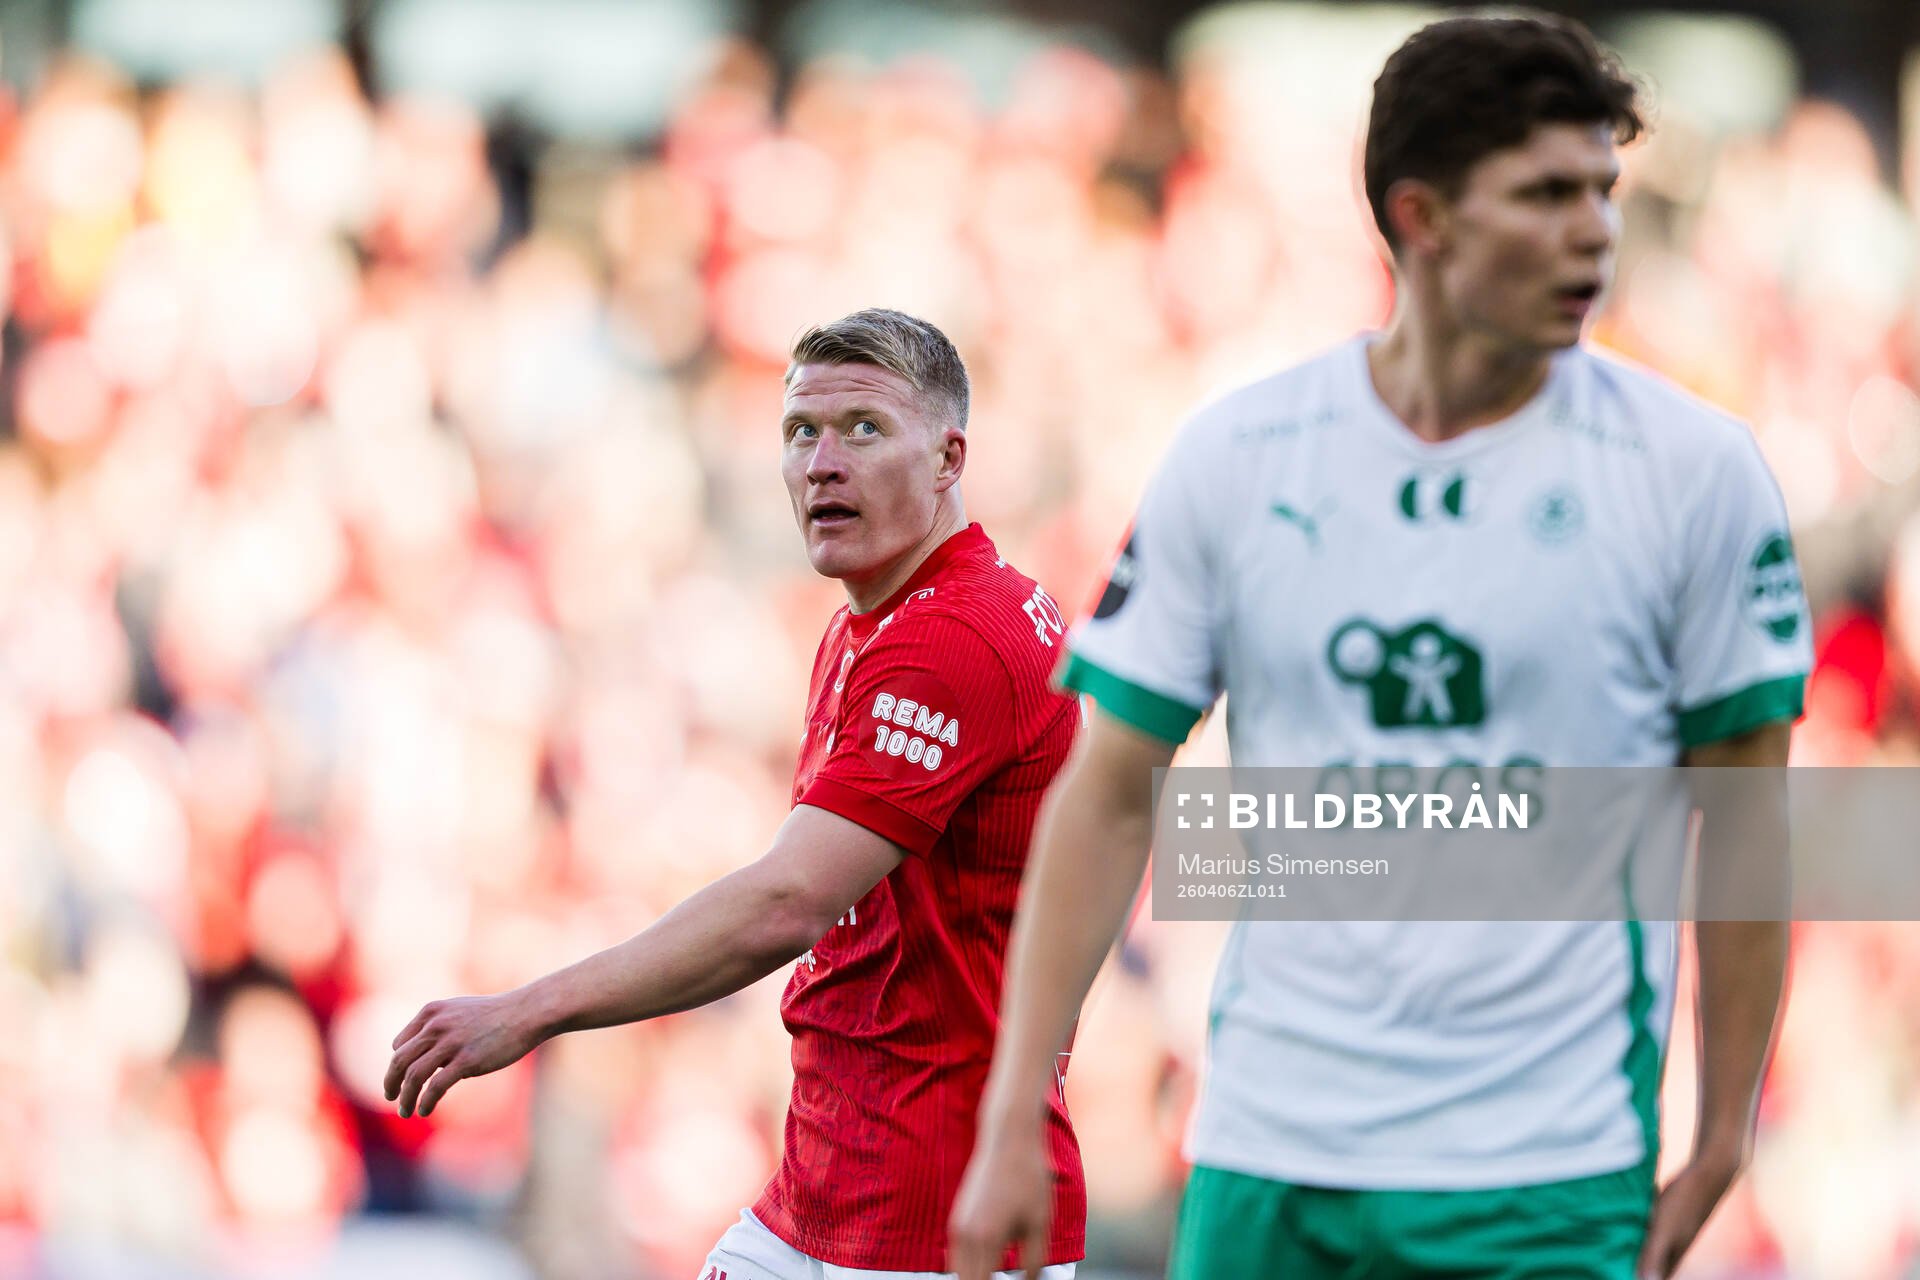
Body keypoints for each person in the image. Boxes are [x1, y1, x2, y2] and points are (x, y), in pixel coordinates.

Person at [950, 13, 1808, 1280]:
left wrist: (1725, 1126)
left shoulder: (1696, 470)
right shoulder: (1241, 455)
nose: (1596, 231)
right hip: (1267, 1159)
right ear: (1425, 217)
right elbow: (1113, 791)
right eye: (1548, 194)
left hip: (1547, 1179)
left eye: (1604, 191)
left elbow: (1743, 819)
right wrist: (1014, 1104)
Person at [385, 309, 1086, 1279]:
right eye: (802, 431)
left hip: (932, 1215)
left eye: (864, 429)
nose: (822, 463)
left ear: (948, 457)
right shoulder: (878, 621)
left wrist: (531, 1009)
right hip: (835, 1186)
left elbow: (788, 903)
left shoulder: (949, 638)